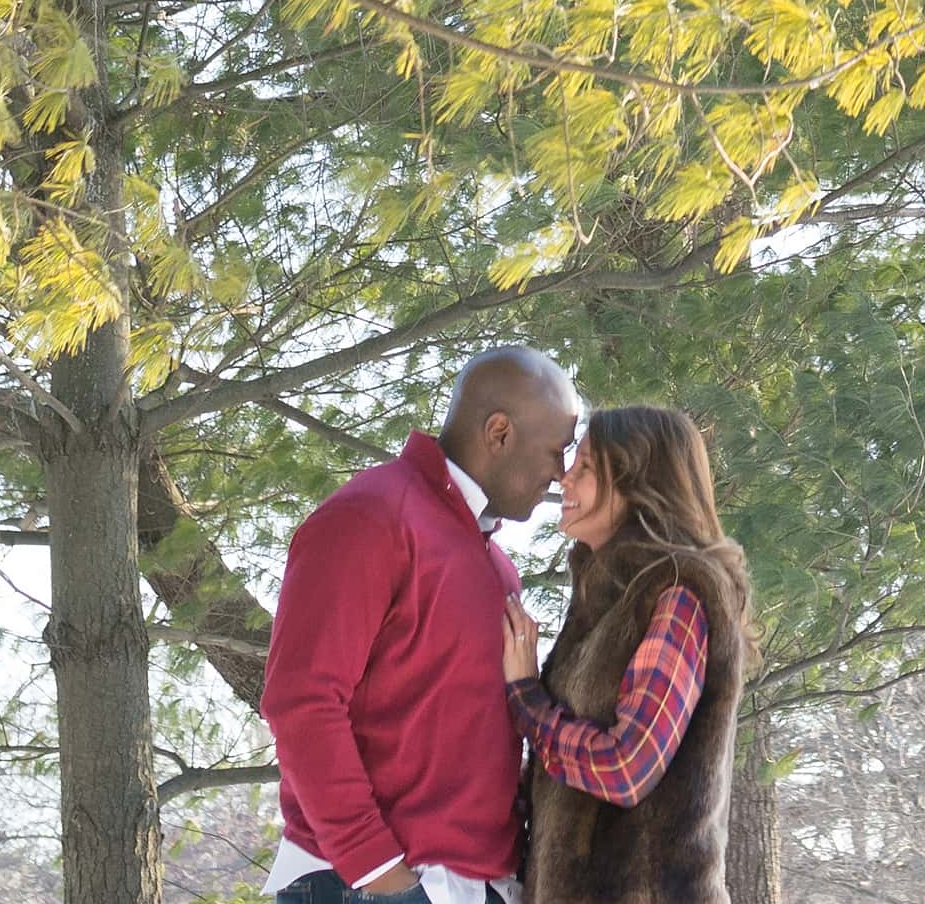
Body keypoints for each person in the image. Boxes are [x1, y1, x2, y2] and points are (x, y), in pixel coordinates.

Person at [260, 346, 581, 904]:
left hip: (478, 887)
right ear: (500, 432)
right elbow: (301, 701)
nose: (561, 474)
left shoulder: (499, 567)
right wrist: (383, 879)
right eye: (555, 452)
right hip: (363, 884)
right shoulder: (372, 514)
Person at [499, 405, 753, 904]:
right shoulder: (603, 594)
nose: (564, 477)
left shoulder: (678, 592)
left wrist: (526, 698)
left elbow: (627, 767)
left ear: (639, 487)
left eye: (587, 468)